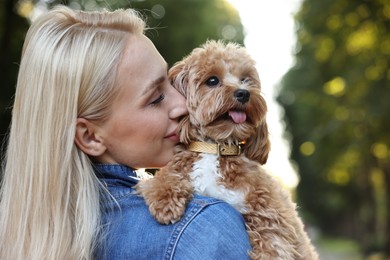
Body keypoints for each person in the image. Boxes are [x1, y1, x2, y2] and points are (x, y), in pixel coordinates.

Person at [0, 6, 252, 260]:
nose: (182, 103)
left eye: (170, 81)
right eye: (155, 98)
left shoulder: (18, 237)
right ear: (89, 137)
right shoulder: (202, 228)